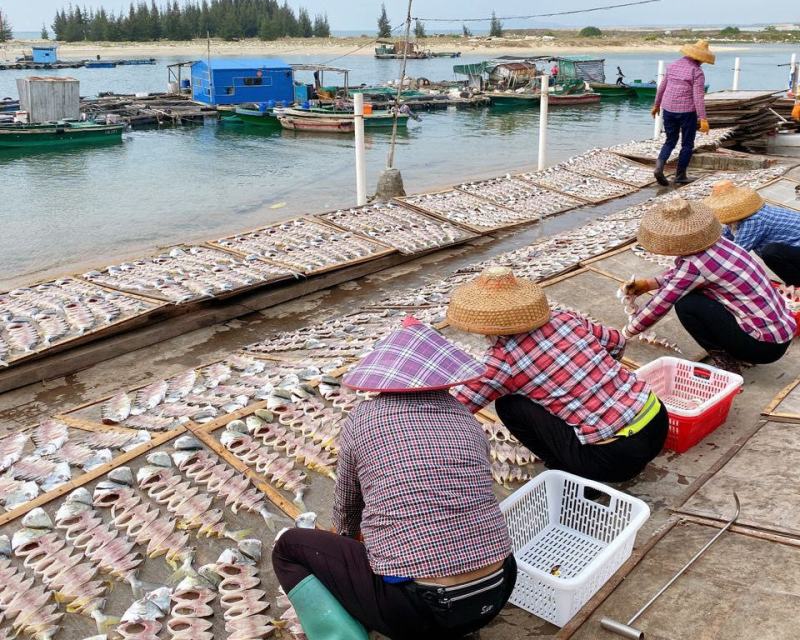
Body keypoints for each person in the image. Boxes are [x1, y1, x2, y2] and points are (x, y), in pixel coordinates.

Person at [272, 319, 517, 640]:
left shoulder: (363, 418)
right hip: (498, 589)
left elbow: (347, 509)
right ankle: (458, 624)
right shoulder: (465, 419)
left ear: (383, 378)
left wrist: (348, 551)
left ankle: (340, 635)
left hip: (418, 610)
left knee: (289, 546)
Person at [447, 267, 667, 483]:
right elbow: (617, 343)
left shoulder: (502, 360)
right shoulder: (565, 318)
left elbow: (454, 408)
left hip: (612, 460)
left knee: (509, 405)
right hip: (657, 421)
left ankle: (574, 475)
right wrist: (590, 376)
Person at [623, 198, 795, 374]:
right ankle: (736, 349)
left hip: (765, 346)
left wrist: (626, 333)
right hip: (782, 332)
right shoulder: (719, 243)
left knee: (686, 304)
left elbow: (659, 304)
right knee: (697, 293)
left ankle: (726, 362)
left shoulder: (694, 265)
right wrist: (649, 284)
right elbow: (680, 273)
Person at [704, 180, 800, 285]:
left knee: (771, 252)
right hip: (794, 251)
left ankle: (797, 285)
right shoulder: (741, 218)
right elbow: (723, 238)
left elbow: (736, 253)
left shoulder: (753, 221)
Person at [651, 39, 715, 186]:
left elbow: (662, 87)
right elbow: (698, 97)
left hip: (668, 109)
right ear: (699, 57)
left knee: (670, 140)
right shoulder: (697, 72)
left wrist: (656, 105)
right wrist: (703, 118)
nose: (703, 62)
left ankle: (659, 168)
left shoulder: (673, 65)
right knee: (687, 144)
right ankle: (680, 175)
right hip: (687, 112)